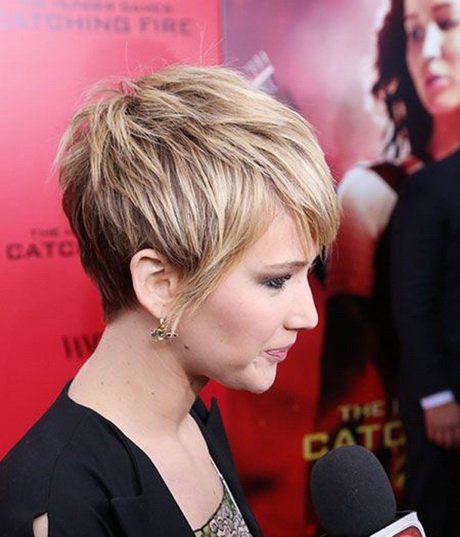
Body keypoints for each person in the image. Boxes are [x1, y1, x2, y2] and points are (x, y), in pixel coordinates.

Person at [0, 64, 339, 537]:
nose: (308, 315)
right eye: (276, 280)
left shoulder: (190, 419)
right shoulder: (59, 510)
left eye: (308, 272)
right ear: (161, 285)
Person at [387, 1, 460, 536]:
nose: (431, 50)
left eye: (446, 23)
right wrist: (436, 396)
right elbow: (411, 299)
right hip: (445, 398)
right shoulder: (430, 188)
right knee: (437, 510)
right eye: (415, 33)